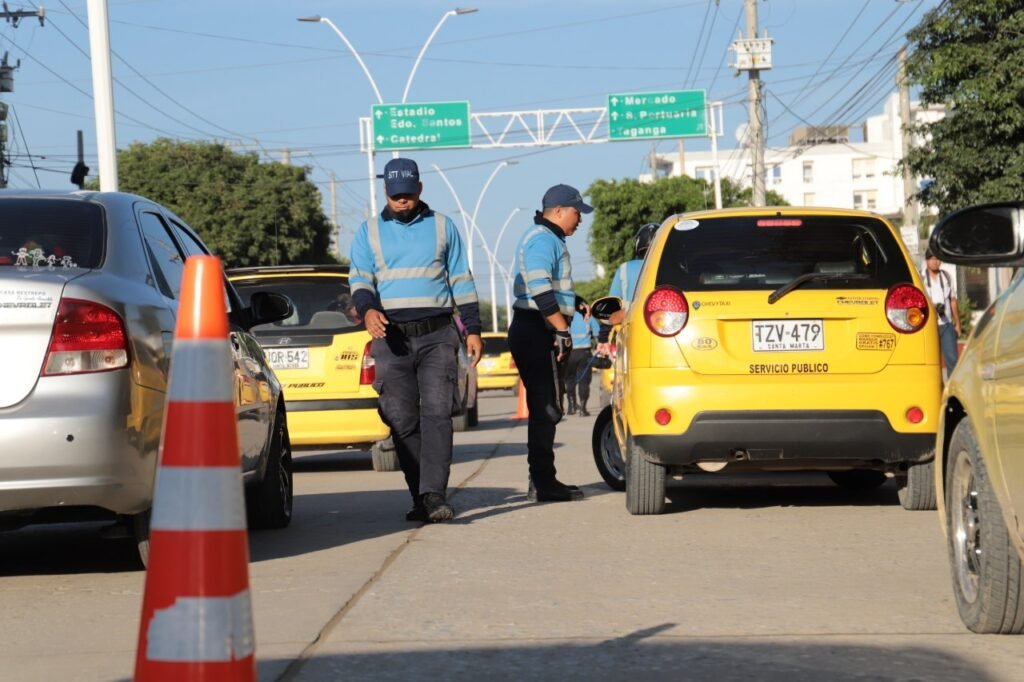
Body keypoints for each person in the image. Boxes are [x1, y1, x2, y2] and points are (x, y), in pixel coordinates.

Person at [349, 157, 483, 523]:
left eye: (408, 193)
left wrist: (472, 329)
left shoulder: (443, 226)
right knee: (401, 417)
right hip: (391, 337)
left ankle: (434, 494)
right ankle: (419, 495)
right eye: (396, 195)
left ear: (420, 189)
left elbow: (462, 281)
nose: (402, 200)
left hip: (438, 334)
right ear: (386, 192)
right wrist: (368, 309)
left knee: (438, 413)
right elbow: (360, 281)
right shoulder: (369, 232)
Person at [508, 183, 592, 503]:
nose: (579, 220)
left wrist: (575, 303)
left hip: (538, 328)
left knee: (548, 407)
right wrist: (562, 329)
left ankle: (543, 478)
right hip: (535, 329)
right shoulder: (542, 239)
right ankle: (543, 483)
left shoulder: (548, 238)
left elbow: (551, 288)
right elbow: (540, 287)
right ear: (558, 211)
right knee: (545, 408)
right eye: (576, 213)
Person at [599, 221, 658, 342]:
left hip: (632, 334)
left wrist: (603, 338)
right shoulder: (672, 266)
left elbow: (611, 308)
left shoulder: (624, 268)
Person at [923, 248, 961, 375]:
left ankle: (952, 391)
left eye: (938, 259)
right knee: (931, 364)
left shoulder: (946, 277)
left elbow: (953, 300)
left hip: (946, 324)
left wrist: (958, 324)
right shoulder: (920, 278)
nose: (935, 262)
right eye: (932, 259)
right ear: (926, 260)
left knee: (953, 361)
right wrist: (932, 306)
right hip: (928, 326)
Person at [563, 310, 600, 417]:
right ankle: (583, 409)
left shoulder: (566, 315)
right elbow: (597, 333)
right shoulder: (588, 316)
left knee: (569, 380)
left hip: (569, 353)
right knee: (584, 381)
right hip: (584, 353)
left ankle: (571, 407)